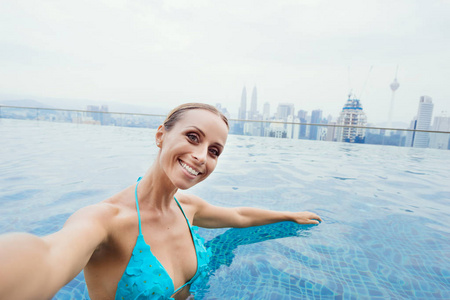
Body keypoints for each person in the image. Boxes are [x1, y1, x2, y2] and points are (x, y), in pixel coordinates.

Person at [0, 103, 322, 300]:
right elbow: (47, 256)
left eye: (214, 151)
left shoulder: (188, 207)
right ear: (160, 136)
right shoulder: (105, 222)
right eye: (193, 137)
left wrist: (289, 215)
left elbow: (239, 215)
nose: (200, 157)